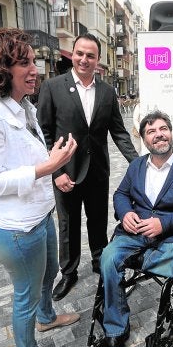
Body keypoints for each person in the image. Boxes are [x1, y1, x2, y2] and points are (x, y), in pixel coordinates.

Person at [0, 28, 79, 347]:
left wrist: (53, 168)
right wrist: (48, 167)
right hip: (17, 230)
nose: (35, 70)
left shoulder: (24, 107)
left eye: (34, 61)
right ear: (1, 68)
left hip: (41, 216)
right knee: (25, 295)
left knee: (47, 279)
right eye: (25, 63)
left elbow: (26, 157)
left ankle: (47, 317)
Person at [37, 33, 138, 302]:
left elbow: (118, 131)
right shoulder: (53, 87)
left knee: (97, 219)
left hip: (97, 170)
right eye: (80, 53)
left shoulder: (106, 91)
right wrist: (55, 172)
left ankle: (98, 260)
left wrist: (137, 163)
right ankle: (68, 272)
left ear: (98, 60)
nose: (84, 59)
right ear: (73, 54)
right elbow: (42, 133)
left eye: (90, 55)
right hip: (66, 172)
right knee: (68, 223)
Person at [94, 111, 173, 347]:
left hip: (171, 235)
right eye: (151, 131)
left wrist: (163, 224)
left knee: (168, 266)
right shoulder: (136, 166)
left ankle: (164, 317)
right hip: (135, 231)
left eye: (163, 129)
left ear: (171, 133)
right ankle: (116, 329)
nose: (158, 135)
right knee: (107, 259)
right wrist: (126, 212)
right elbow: (120, 194)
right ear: (143, 138)